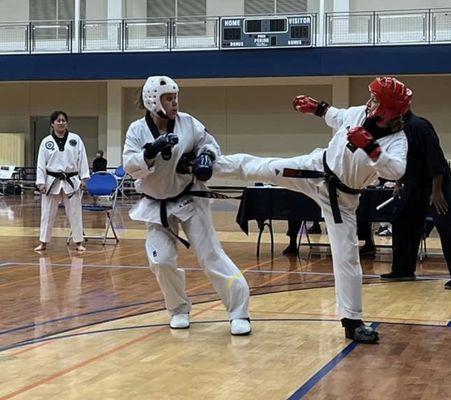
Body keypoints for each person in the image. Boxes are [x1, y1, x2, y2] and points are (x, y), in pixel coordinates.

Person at [214, 77, 412, 344]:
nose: (370, 102)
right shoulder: (357, 113)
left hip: (343, 200)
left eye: (376, 100)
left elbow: (396, 170)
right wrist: (316, 107)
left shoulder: (397, 141)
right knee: (264, 167)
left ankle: (352, 321)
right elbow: (338, 116)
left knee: (347, 256)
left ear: (388, 110)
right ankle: (208, 166)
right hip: (313, 170)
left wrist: (371, 147)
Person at [122, 76, 251, 335]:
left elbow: (209, 143)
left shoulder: (188, 123)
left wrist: (206, 157)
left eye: (175, 97)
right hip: (156, 204)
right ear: (152, 100)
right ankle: (178, 309)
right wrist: (149, 152)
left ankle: (239, 313)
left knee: (210, 254)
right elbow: (129, 166)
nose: (174, 103)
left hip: (190, 198)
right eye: (168, 98)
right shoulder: (137, 131)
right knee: (161, 261)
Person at [380, 109, 451, 289]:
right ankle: (403, 270)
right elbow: (403, 159)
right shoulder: (398, 128)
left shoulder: (419, 126)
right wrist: (398, 181)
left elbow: (435, 159)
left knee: (447, 228)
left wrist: (436, 191)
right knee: (402, 221)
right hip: (414, 184)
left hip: (437, 184)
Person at [34, 111, 90, 253]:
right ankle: (43, 242)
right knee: (47, 213)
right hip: (51, 181)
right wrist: (40, 182)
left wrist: (84, 178)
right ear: (52, 124)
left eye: (63, 120)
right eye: (58, 120)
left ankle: (78, 242)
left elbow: (82, 159)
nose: (61, 122)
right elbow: (41, 163)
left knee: (75, 213)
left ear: (67, 122)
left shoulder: (75, 139)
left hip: (71, 180)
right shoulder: (46, 142)